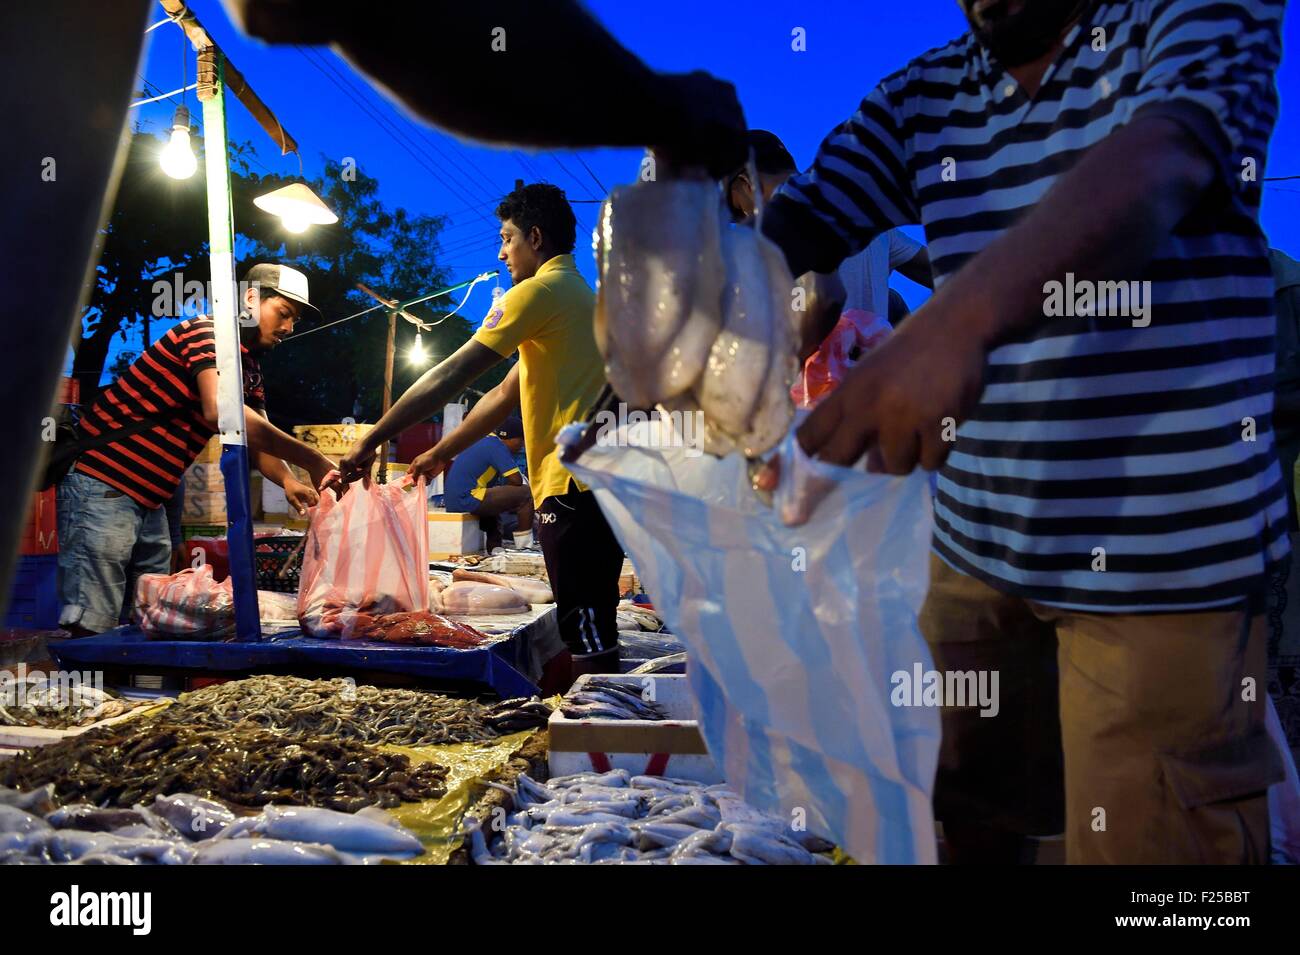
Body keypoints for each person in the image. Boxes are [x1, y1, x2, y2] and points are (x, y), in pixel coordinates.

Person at [752, 0, 1288, 864]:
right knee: (965, 812)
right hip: (977, 548)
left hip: (1164, 556)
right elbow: (797, 224)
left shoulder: (1183, 17)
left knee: (1154, 847)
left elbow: (1162, 156)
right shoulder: (921, 96)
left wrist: (958, 322)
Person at [339, 185, 625, 680]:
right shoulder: (576, 298)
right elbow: (501, 396)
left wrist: (371, 438)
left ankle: (600, 741)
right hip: (592, 488)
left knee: (588, 633)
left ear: (534, 237)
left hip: (575, 490)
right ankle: (599, 733)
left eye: (507, 238)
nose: (500, 252)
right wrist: (441, 453)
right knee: (591, 625)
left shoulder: (539, 292)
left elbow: (453, 373)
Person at [57, 263, 338, 636]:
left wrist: (288, 479)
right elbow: (220, 409)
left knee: (154, 612)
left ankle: (135, 691)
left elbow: (258, 435)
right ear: (251, 299)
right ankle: (87, 688)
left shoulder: (248, 366)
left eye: (294, 320)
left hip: (152, 496)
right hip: (104, 482)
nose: (288, 328)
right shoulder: (207, 332)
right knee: (94, 615)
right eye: (284, 314)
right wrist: (313, 458)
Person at [725, 129, 933, 323]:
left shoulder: (769, 236)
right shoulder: (861, 208)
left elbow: (828, 299)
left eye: (739, 210)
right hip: (879, 358)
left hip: (815, 359)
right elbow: (941, 268)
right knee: (892, 300)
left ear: (748, 184)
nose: (746, 221)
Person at [442, 416, 533, 551]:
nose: (522, 445)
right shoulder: (497, 446)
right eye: (521, 440)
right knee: (526, 494)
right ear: (511, 437)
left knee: (494, 503)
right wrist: (511, 498)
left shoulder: (484, 441)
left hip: (455, 500)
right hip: (467, 498)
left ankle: (495, 550)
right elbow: (516, 480)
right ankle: (525, 548)